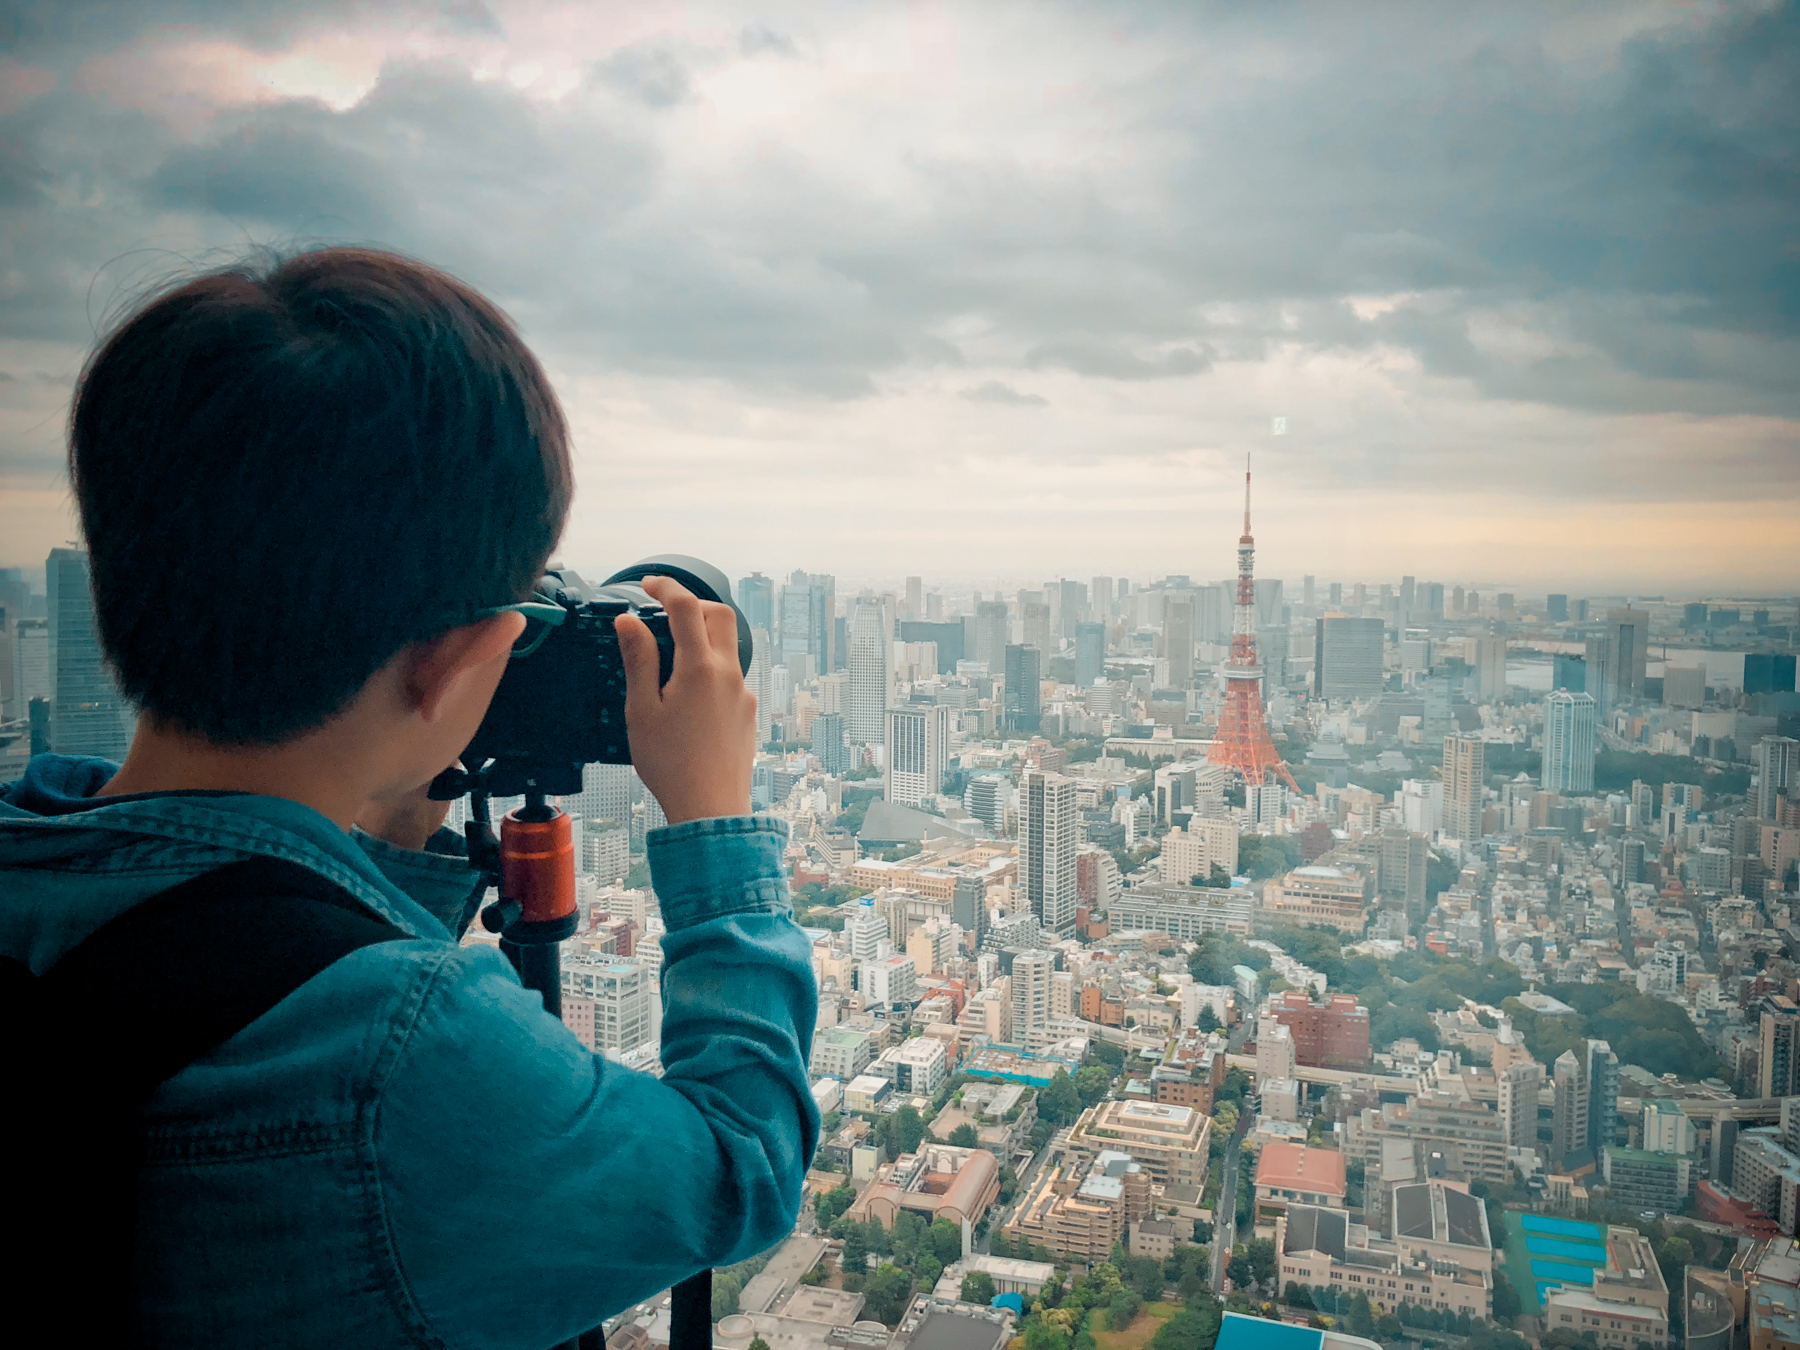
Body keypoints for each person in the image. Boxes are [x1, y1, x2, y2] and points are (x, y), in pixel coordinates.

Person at [0, 248, 818, 1346]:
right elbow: (738, 1167)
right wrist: (714, 825)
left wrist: (388, 823)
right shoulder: (403, 1052)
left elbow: (239, 952)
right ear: (453, 662)